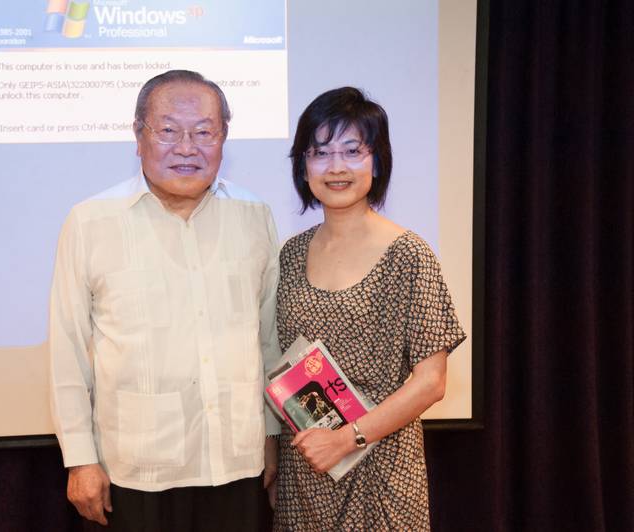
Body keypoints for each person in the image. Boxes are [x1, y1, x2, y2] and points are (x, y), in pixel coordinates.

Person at [49, 70, 281, 530]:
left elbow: (268, 336)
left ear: (224, 137)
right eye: (169, 131)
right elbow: (67, 350)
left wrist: (272, 434)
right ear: (139, 136)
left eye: (204, 132)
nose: (187, 148)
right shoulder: (91, 222)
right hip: (137, 467)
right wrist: (80, 459)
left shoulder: (254, 216)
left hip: (237, 460)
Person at [271, 87, 466, 530]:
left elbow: (431, 383)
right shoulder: (291, 254)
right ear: (303, 165)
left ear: (376, 162)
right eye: (320, 152)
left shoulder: (408, 255)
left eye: (352, 151)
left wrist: (345, 440)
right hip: (306, 470)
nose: (336, 166)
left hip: (380, 468)